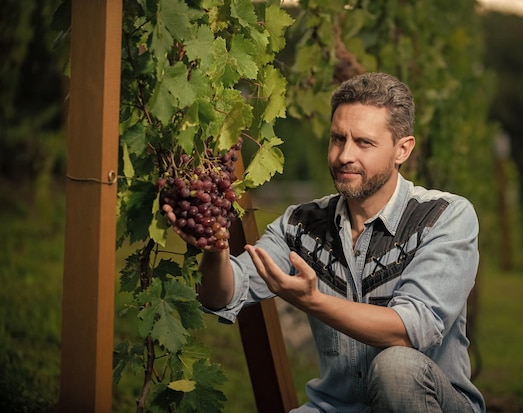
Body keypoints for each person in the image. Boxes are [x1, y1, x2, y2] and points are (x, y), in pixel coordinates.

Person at [165, 72, 485, 413]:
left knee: (397, 367)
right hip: (335, 408)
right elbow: (221, 297)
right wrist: (215, 252)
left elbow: (410, 329)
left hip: (431, 404)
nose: (345, 155)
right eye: (337, 139)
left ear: (402, 150)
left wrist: (313, 301)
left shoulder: (444, 216)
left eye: (364, 143)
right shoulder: (301, 223)